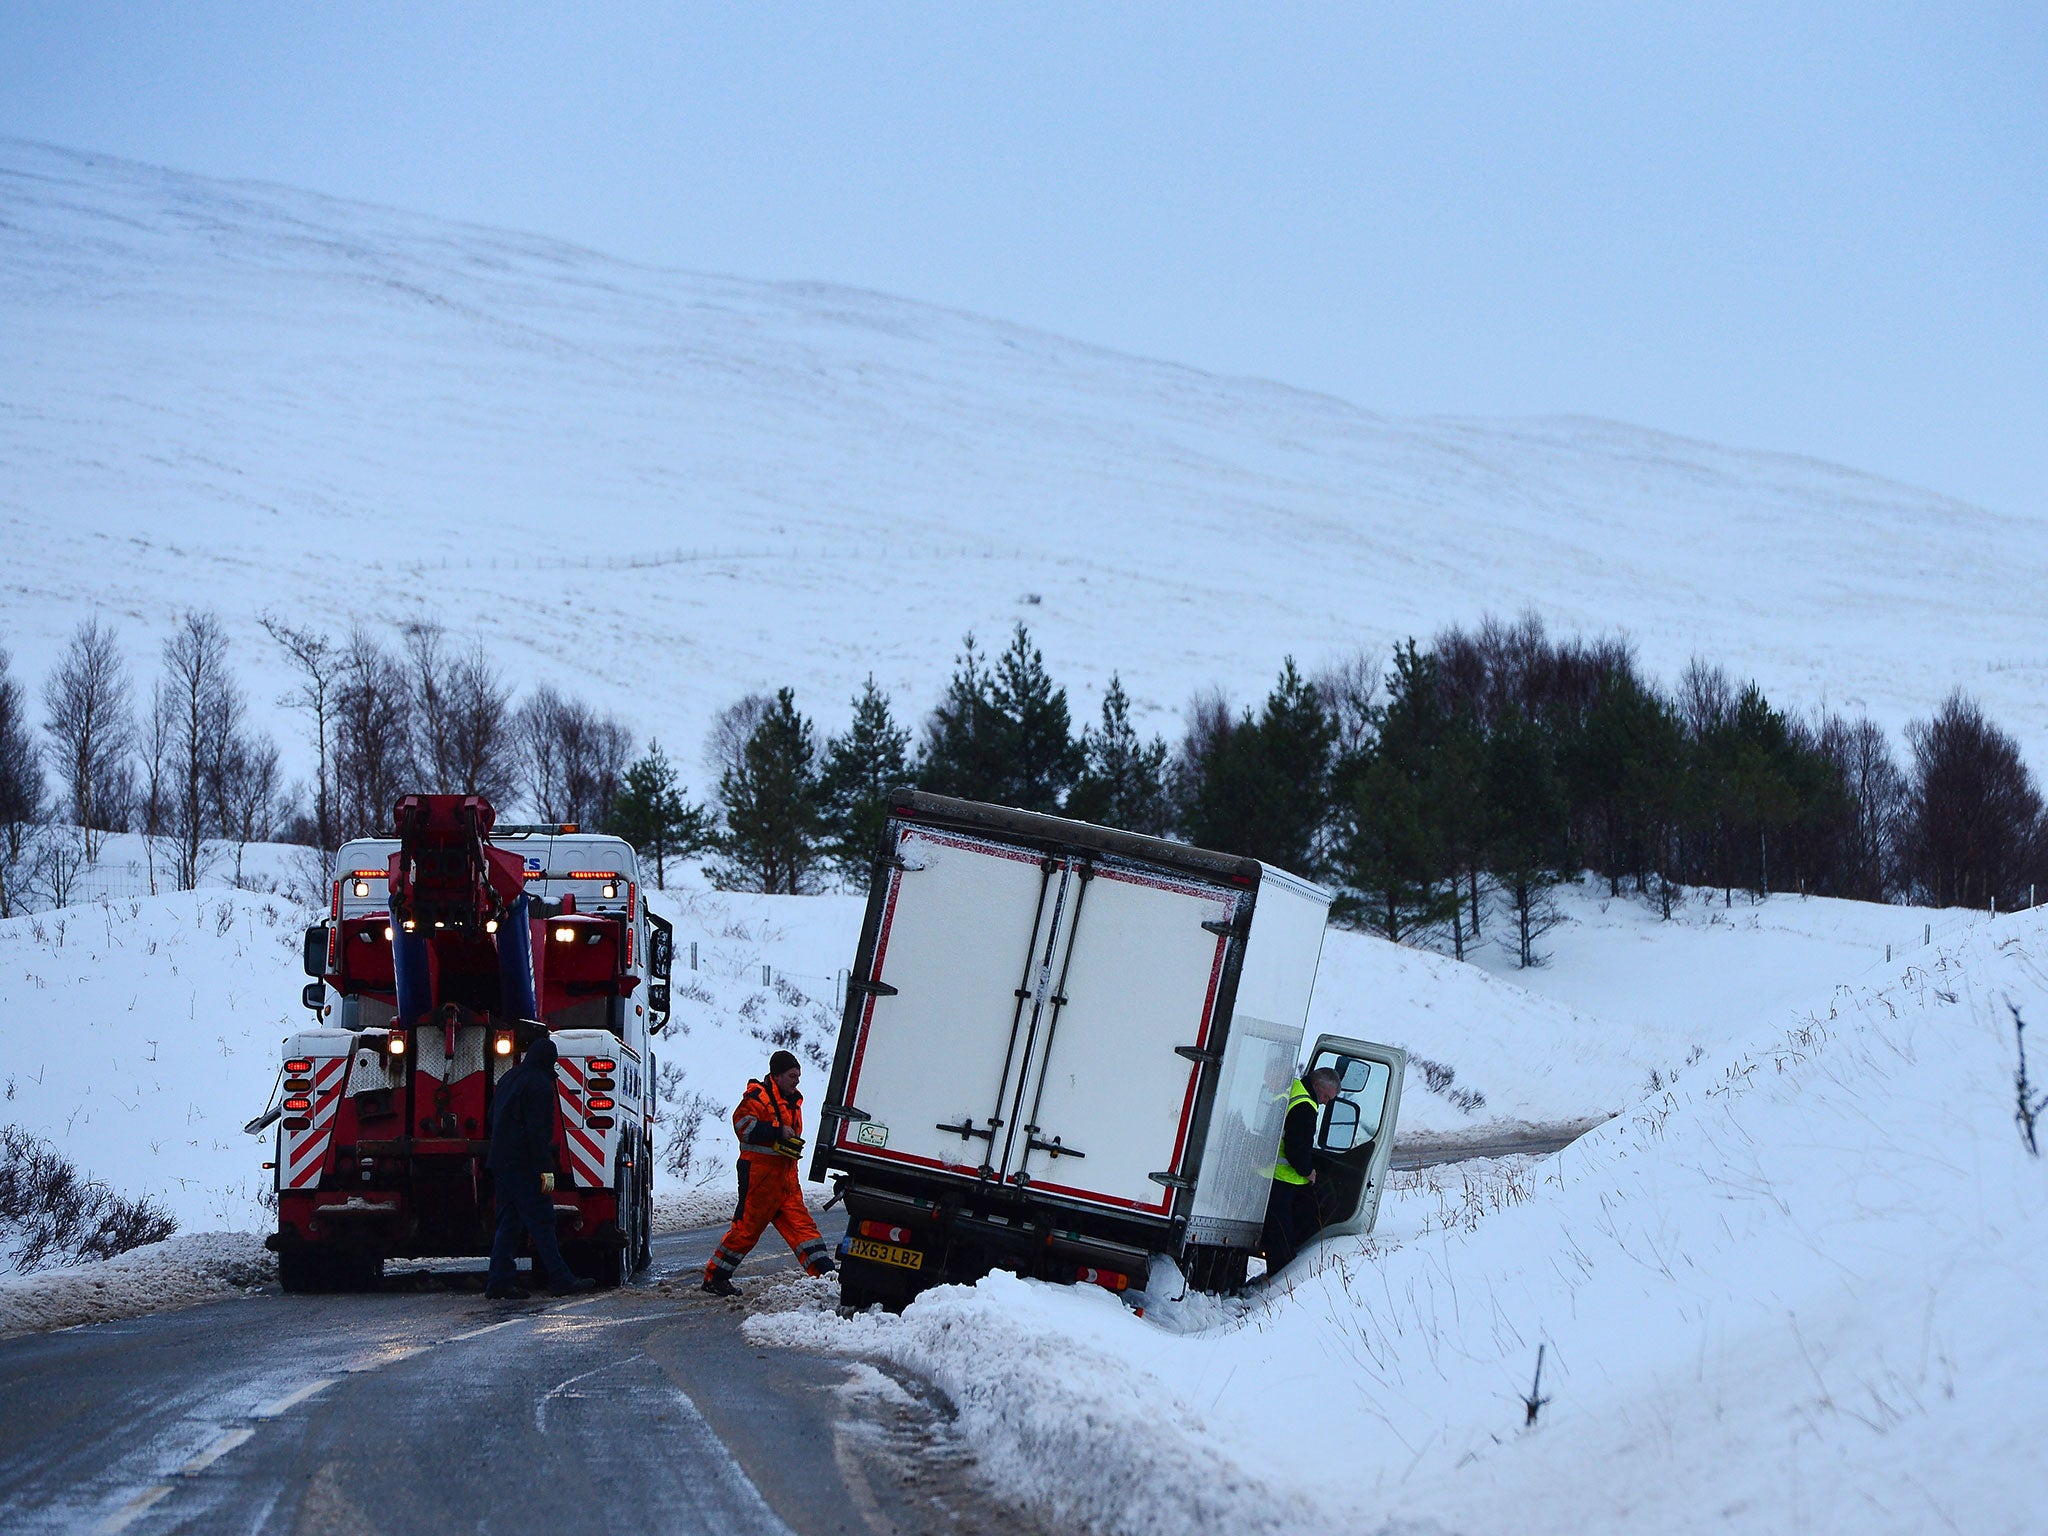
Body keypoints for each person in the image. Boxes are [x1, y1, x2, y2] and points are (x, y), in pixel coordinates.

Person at [701, 1051, 837, 1296]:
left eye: (799, 1076)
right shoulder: (757, 1098)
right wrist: (777, 1131)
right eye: (792, 1075)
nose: (797, 1081)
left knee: (804, 1229)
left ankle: (827, 1277)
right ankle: (715, 1278)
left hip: (786, 1180)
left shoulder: (793, 1101)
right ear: (776, 1076)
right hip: (759, 1179)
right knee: (745, 1231)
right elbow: (742, 1126)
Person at [485, 1034, 596, 1299]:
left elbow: (492, 1116)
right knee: (542, 1220)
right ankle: (560, 1279)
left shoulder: (509, 1078)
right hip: (524, 1164)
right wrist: (545, 1169)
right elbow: (538, 1132)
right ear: (550, 1062)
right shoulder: (540, 1085)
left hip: (500, 1161)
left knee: (509, 1221)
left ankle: (499, 1281)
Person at [1260, 1065, 1341, 1278]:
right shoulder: (1305, 1106)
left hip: (1270, 1176)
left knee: (1277, 1234)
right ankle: (1280, 1286)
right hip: (1282, 1181)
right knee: (1281, 1238)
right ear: (1316, 1085)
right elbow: (1296, 1148)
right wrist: (1308, 1172)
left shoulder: (1295, 1090)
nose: (1324, 1102)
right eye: (1325, 1096)